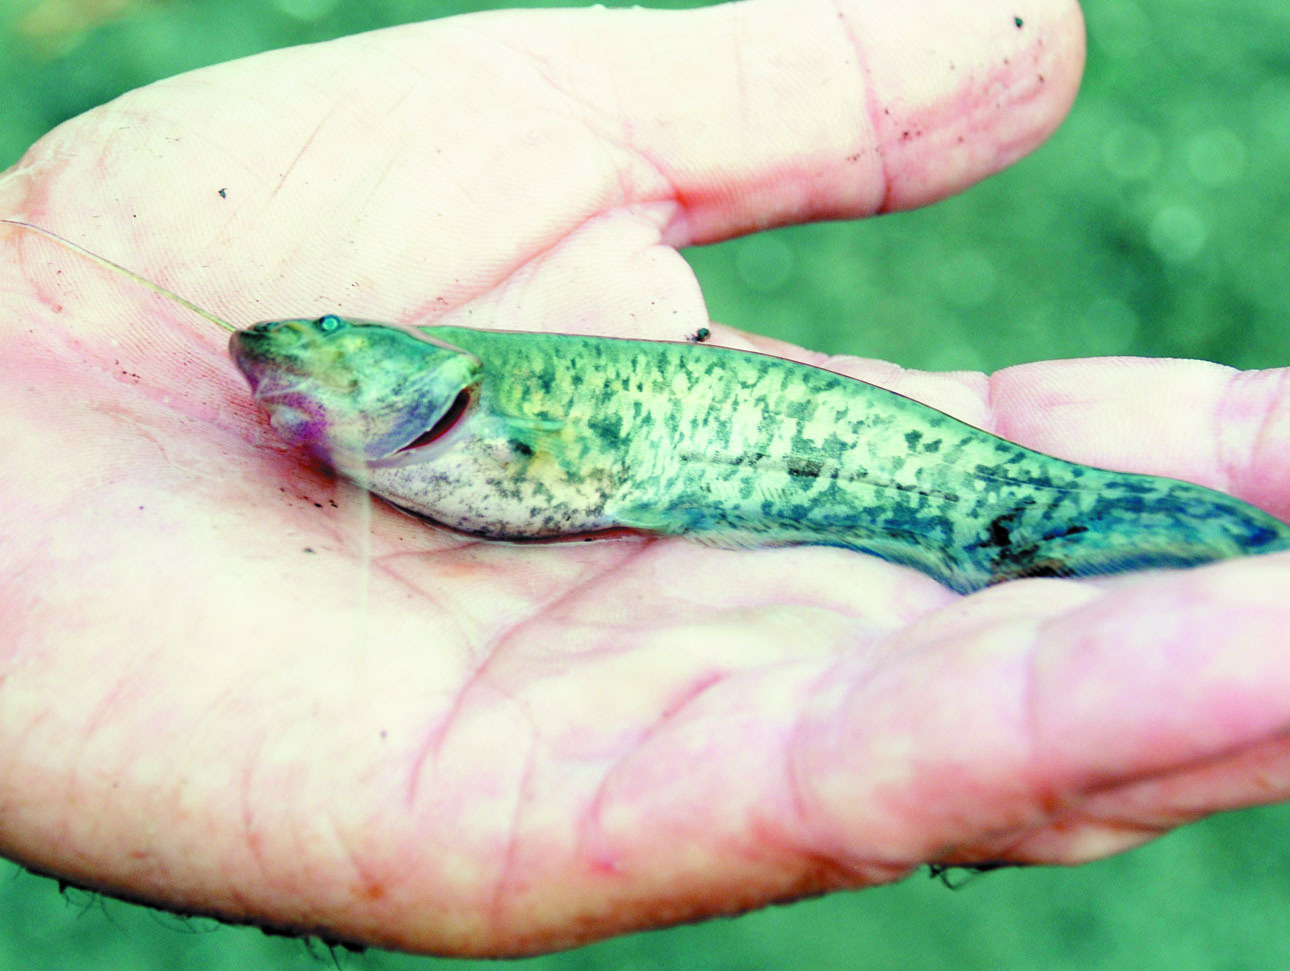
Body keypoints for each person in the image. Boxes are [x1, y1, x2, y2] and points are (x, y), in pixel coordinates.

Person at [1, 0, 1287, 958]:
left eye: (333, 341)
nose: (296, 367)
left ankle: (1055, 522)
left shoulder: (466, 398)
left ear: (417, 360)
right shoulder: (395, 428)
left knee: (1011, 511)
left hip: (783, 442)